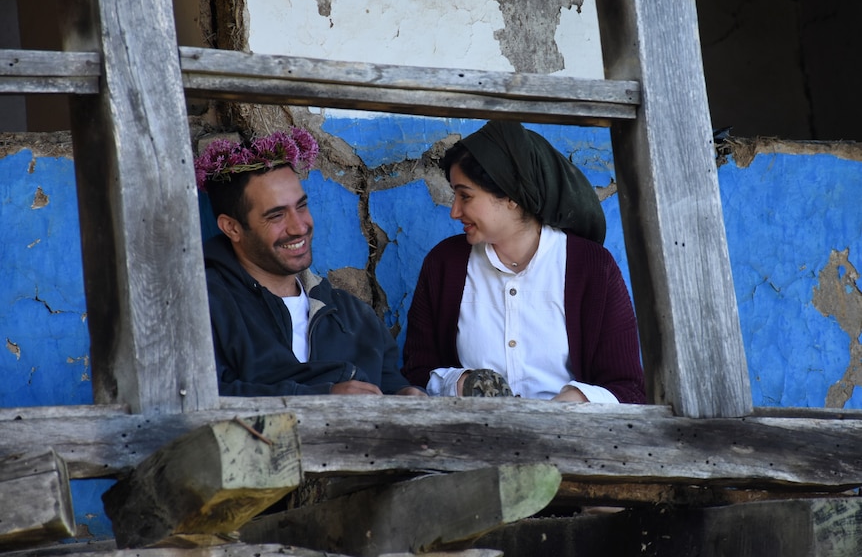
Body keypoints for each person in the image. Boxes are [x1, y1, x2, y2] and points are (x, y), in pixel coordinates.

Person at [402, 120, 645, 404]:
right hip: (470, 439)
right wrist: (461, 383)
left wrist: (577, 400)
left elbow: (628, 388)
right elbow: (416, 374)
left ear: (511, 197)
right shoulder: (444, 264)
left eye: (465, 196)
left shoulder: (593, 268)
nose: (455, 211)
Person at [195, 128, 425, 397]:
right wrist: (324, 397)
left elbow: (391, 387)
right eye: (277, 215)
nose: (299, 227)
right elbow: (203, 396)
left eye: (301, 206)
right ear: (232, 227)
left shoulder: (353, 316)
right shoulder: (205, 306)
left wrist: (407, 396)